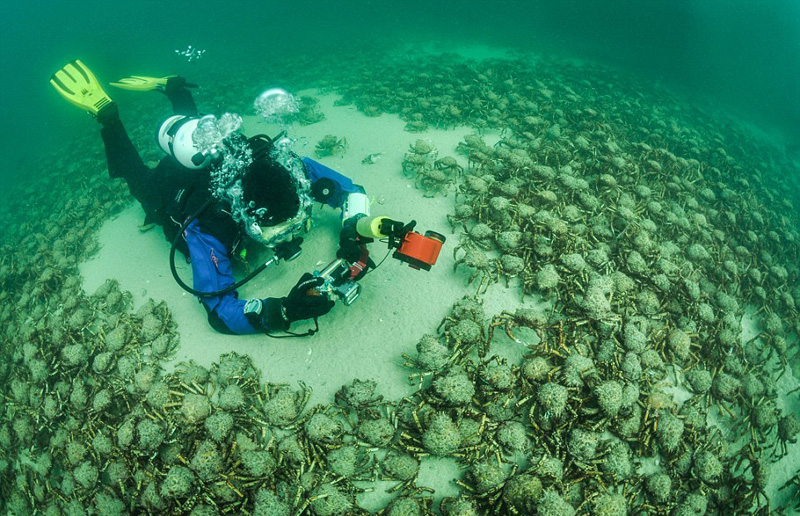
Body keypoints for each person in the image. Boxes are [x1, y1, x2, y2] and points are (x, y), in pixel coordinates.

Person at [50, 60, 374, 335]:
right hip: (170, 186)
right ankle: (108, 117)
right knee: (138, 181)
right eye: (275, 233)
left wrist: (354, 226)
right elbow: (219, 311)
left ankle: (175, 89)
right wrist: (284, 311)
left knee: (208, 141)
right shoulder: (207, 224)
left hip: (204, 157)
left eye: (298, 220)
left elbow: (351, 192)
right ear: (245, 216)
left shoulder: (285, 166)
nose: (290, 236)